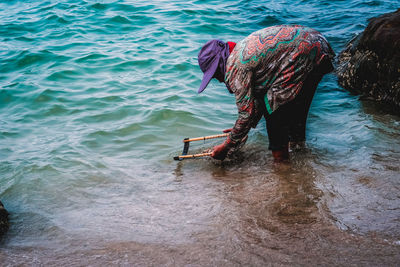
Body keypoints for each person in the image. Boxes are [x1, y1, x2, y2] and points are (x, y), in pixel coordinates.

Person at [197, 25, 335, 161]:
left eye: (214, 74)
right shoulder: (240, 50)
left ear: (219, 64)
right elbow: (253, 106)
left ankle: (283, 169)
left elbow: (246, 114)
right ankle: (300, 166)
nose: (219, 80)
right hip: (317, 45)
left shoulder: (235, 67)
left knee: (274, 114)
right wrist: (239, 131)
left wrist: (226, 146)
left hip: (302, 54)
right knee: (295, 118)